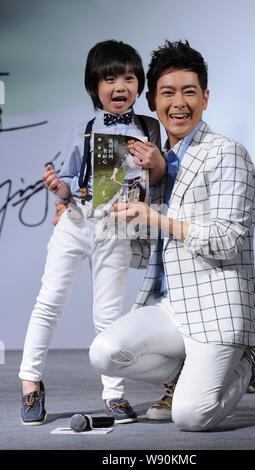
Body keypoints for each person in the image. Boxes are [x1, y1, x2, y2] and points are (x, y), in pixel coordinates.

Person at [88, 40, 255, 430]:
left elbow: (228, 240)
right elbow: (140, 244)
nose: (179, 103)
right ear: (152, 101)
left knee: (191, 417)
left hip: (216, 307)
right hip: (167, 304)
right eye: (167, 93)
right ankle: (189, 374)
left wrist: (155, 216)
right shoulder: (147, 159)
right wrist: (82, 201)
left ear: (205, 97)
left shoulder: (226, 153)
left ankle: (248, 367)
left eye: (189, 92)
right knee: (104, 352)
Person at [19, 40, 165, 426]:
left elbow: (159, 182)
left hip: (117, 230)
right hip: (76, 224)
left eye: (129, 78)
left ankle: (114, 397)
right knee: (49, 302)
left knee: (109, 318)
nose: (120, 86)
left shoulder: (150, 128)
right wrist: (58, 188)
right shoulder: (82, 130)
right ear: (94, 86)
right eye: (110, 78)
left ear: (139, 85)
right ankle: (30, 384)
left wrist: (157, 161)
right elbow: (69, 181)